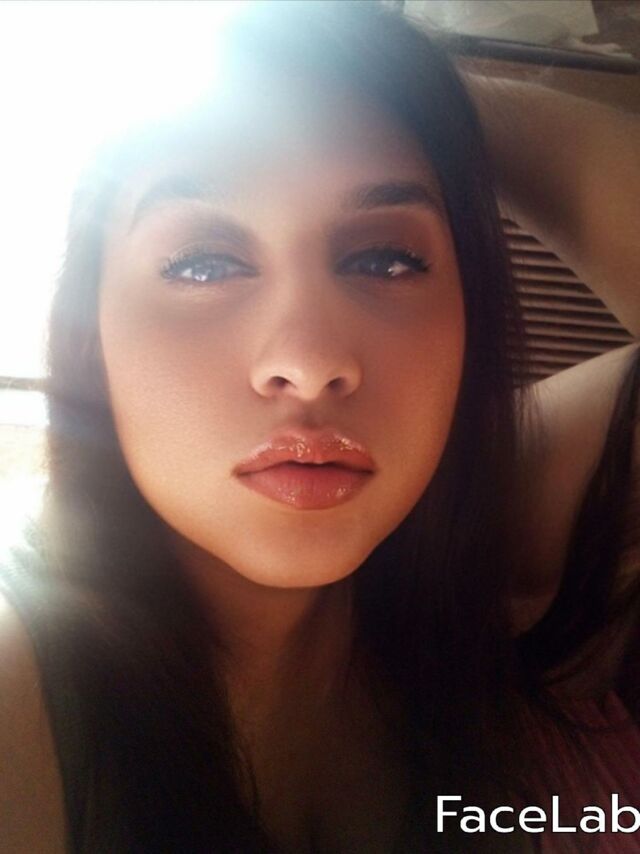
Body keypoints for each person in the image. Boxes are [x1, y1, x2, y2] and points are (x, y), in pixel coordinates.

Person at [1, 1, 639, 852]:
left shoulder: (499, 543)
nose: (307, 361)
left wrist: (418, 93)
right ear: (91, 337)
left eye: (384, 258)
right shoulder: (24, 703)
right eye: (203, 263)